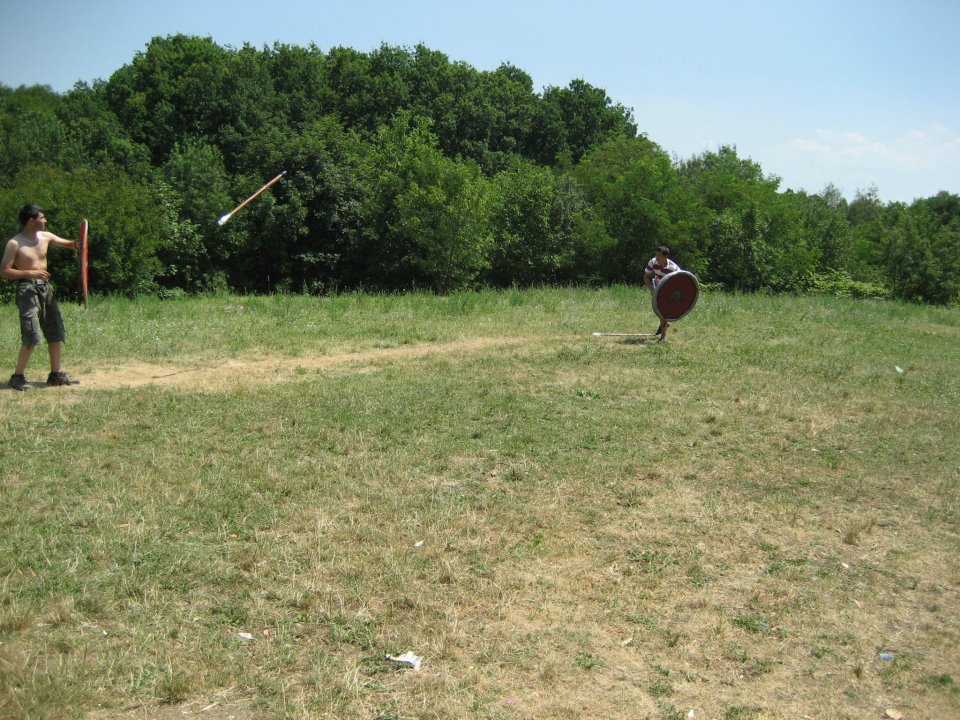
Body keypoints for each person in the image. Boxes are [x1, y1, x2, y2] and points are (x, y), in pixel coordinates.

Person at [2, 204, 80, 390]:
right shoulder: (15, 243)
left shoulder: (46, 236)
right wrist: (30, 273)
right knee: (31, 332)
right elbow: (4, 271)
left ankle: (55, 375)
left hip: (46, 289)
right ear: (31, 221)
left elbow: (70, 244)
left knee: (55, 331)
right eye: (42, 217)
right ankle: (18, 377)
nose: (45, 220)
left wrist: (79, 244)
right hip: (27, 289)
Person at [643, 245, 680, 342]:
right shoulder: (653, 262)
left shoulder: (674, 268)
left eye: (659, 256)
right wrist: (652, 290)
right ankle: (665, 323)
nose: (657, 258)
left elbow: (681, 282)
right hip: (657, 285)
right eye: (656, 255)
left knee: (663, 311)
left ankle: (663, 338)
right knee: (658, 309)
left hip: (669, 289)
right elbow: (646, 277)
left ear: (665, 257)